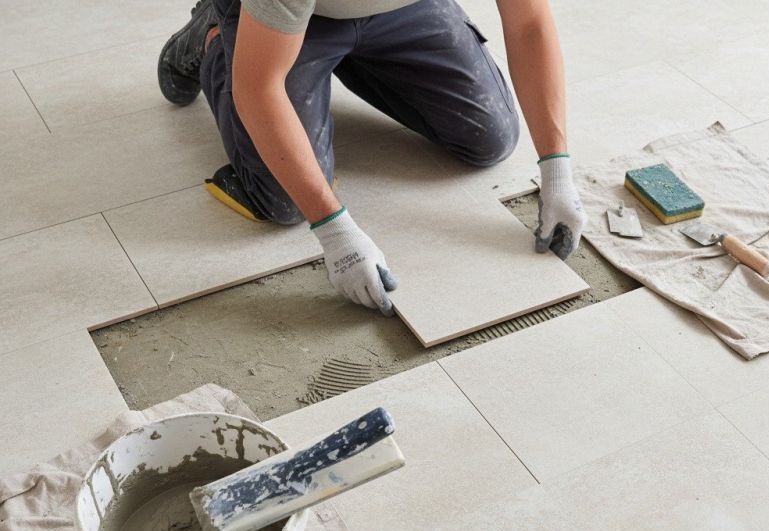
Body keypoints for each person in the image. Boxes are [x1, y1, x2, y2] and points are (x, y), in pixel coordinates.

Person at [158, 0, 587, 316]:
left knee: (490, 137)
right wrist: (335, 231)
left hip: (402, 10)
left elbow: (529, 23)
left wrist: (557, 170)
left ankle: (351, 54)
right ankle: (215, 35)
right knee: (283, 201)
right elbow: (258, 87)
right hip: (286, 23)